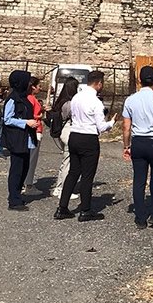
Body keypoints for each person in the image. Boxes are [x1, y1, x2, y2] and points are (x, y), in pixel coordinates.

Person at [55, 71, 114, 222]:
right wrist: (111, 123)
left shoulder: (76, 97)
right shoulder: (96, 102)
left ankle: (62, 207)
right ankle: (85, 209)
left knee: (73, 172)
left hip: (74, 135)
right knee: (87, 175)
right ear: (99, 83)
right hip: (88, 138)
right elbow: (101, 127)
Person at [121, 66, 153, 228]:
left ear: (139, 80)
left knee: (139, 179)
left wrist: (126, 145)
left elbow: (126, 127)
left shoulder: (130, 100)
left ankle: (140, 217)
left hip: (138, 142)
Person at [1, 70, 39, 211]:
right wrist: (25, 122)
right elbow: (7, 119)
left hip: (26, 138)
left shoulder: (23, 97)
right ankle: (14, 200)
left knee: (24, 168)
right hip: (17, 138)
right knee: (16, 170)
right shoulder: (12, 99)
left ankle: (17, 194)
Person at [48, 76, 80, 201]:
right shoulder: (70, 103)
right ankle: (64, 190)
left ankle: (59, 187)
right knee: (69, 162)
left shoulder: (60, 101)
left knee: (65, 161)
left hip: (62, 132)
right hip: (68, 131)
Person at [23, 79, 44, 193]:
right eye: (38, 86)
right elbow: (32, 114)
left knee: (29, 157)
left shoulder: (30, 98)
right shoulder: (31, 98)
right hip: (35, 129)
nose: (40, 88)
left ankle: (25, 183)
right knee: (32, 159)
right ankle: (28, 184)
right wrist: (40, 114)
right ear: (33, 87)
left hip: (34, 129)